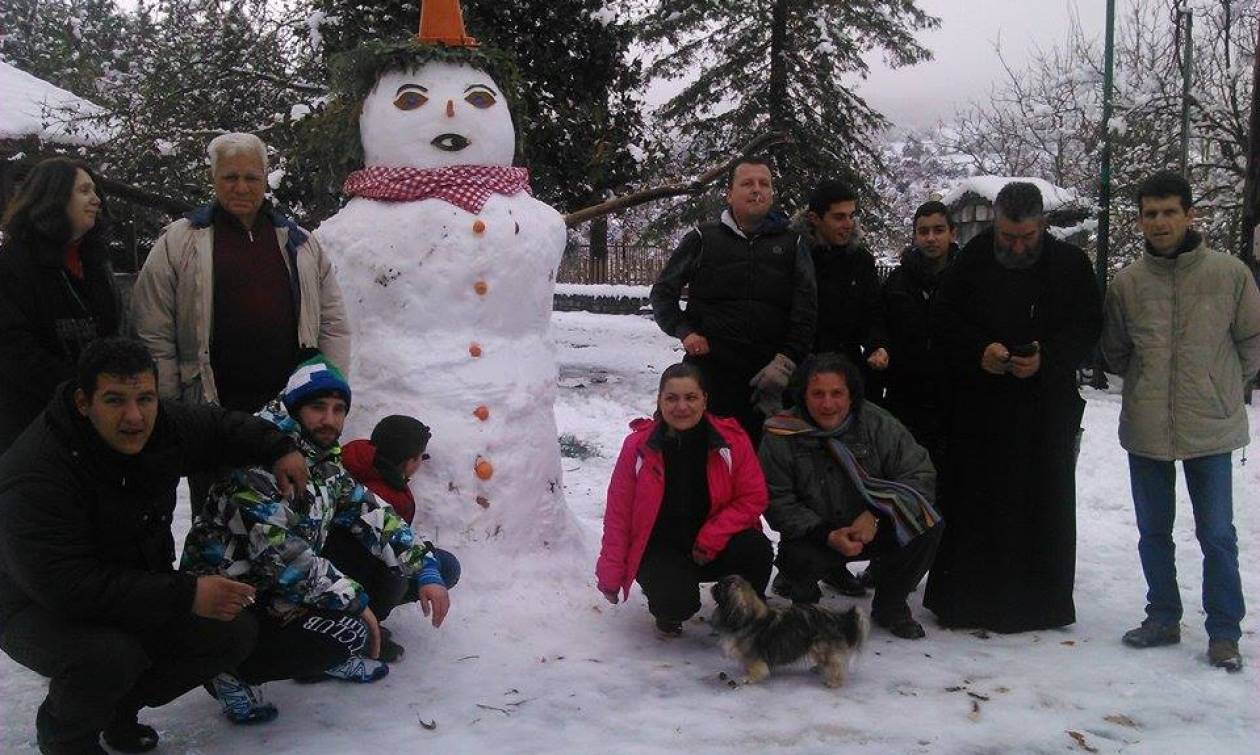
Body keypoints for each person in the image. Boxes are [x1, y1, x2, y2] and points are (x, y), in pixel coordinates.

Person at [0, 337, 307, 754]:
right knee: (109, 657)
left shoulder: (163, 427)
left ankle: (117, 710)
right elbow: (64, 585)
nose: (134, 416)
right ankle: (65, 735)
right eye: (114, 400)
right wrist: (186, 594)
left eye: (145, 398)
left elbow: (220, 427)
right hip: (31, 605)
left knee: (229, 632)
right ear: (82, 402)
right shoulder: (37, 473)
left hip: (128, 582)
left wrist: (279, 448)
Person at [181, 353, 455, 711]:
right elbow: (283, 559)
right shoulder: (255, 465)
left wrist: (425, 567)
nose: (330, 420)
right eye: (318, 407)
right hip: (237, 603)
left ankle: (326, 647)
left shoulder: (323, 462)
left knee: (441, 567)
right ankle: (230, 671)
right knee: (347, 630)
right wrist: (357, 603)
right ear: (294, 409)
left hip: (282, 588)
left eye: (339, 409)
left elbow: (372, 512)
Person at [130, 132, 351, 515]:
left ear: (265, 179)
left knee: (294, 514)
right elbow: (153, 329)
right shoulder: (181, 241)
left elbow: (333, 322)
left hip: (289, 411)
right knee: (219, 519)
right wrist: (172, 406)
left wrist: (327, 393)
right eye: (230, 177)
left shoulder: (299, 243)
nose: (241, 187)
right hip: (213, 409)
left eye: (251, 177)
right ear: (213, 179)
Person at [923, 181, 1102, 634]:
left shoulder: (1071, 265)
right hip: (981, 408)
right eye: (1007, 237)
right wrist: (979, 351)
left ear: (1042, 225)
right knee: (974, 502)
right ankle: (966, 601)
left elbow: (1087, 328)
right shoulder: (972, 262)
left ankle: (1039, 604)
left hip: (1044, 410)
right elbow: (943, 323)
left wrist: (1048, 358)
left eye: (1025, 238)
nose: (1016, 246)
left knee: (1041, 503)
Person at [1100, 171, 1260, 672]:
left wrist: (1221, 387)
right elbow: (1115, 352)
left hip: (1209, 424)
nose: (1160, 222)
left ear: (1191, 215)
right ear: (1140, 219)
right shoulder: (1127, 283)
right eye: (1150, 213)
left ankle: (1224, 631)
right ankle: (1163, 615)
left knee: (1216, 533)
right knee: (1153, 531)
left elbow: (1251, 343)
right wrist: (1149, 385)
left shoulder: (1230, 275)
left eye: (1170, 211)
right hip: (1147, 425)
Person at [759, 353, 942, 639]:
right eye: (817, 393)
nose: (827, 404)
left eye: (837, 393)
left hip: (872, 527)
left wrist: (878, 516)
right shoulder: (781, 434)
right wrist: (826, 533)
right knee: (798, 557)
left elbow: (920, 476)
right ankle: (805, 606)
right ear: (803, 395)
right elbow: (777, 501)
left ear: (851, 395)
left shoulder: (879, 424)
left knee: (927, 524)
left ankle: (890, 605)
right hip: (815, 534)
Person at [595, 362, 773, 636]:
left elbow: (753, 497)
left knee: (756, 549)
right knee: (676, 603)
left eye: (690, 397)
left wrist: (712, 537)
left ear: (705, 399)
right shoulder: (638, 447)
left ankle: (739, 610)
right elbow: (619, 513)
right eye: (672, 398)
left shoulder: (731, 440)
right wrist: (610, 572)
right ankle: (669, 609)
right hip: (663, 547)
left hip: (716, 542)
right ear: (659, 401)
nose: (681, 407)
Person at [649, 158, 817, 444]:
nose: (757, 190)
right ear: (729, 194)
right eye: (747, 183)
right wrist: (684, 331)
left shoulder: (793, 243)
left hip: (768, 378)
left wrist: (786, 362)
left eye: (764, 184)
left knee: (764, 466)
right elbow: (663, 293)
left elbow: (807, 310)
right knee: (703, 460)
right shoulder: (703, 238)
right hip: (710, 372)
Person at [0, 157, 119, 453]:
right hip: (34, 425)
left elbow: (112, 331)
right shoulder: (13, 264)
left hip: (97, 418)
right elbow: (14, 350)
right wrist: (82, 388)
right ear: (52, 196)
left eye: (96, 192)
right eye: (84, 191)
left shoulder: (95, 261)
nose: (96, 200)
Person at [341, 414, 462, 661]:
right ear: (408, 462)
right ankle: (357, 628)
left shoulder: (362, 459)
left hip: (353, 561)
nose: (420, 464)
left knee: (442, 564)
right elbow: (385, 543)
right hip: (351, 571)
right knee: (402, 573)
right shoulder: (383, 496)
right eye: (419, 458)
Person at [881, 200, 960, 462]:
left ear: (952, 233)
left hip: (953, 399)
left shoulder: (966, 281)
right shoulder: (897, 282)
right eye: (923, 231)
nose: (931, 238)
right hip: (905, 397)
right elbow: (880, 324)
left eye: (938, 230)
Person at [799, 181, 890, 396]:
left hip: (851, 372)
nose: (848, 224)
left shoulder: (861, 261)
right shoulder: (796, 259)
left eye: (851, 216)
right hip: (804, 375)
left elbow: (873, 313)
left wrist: (877, 346)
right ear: (815, 219)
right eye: (839, 217)